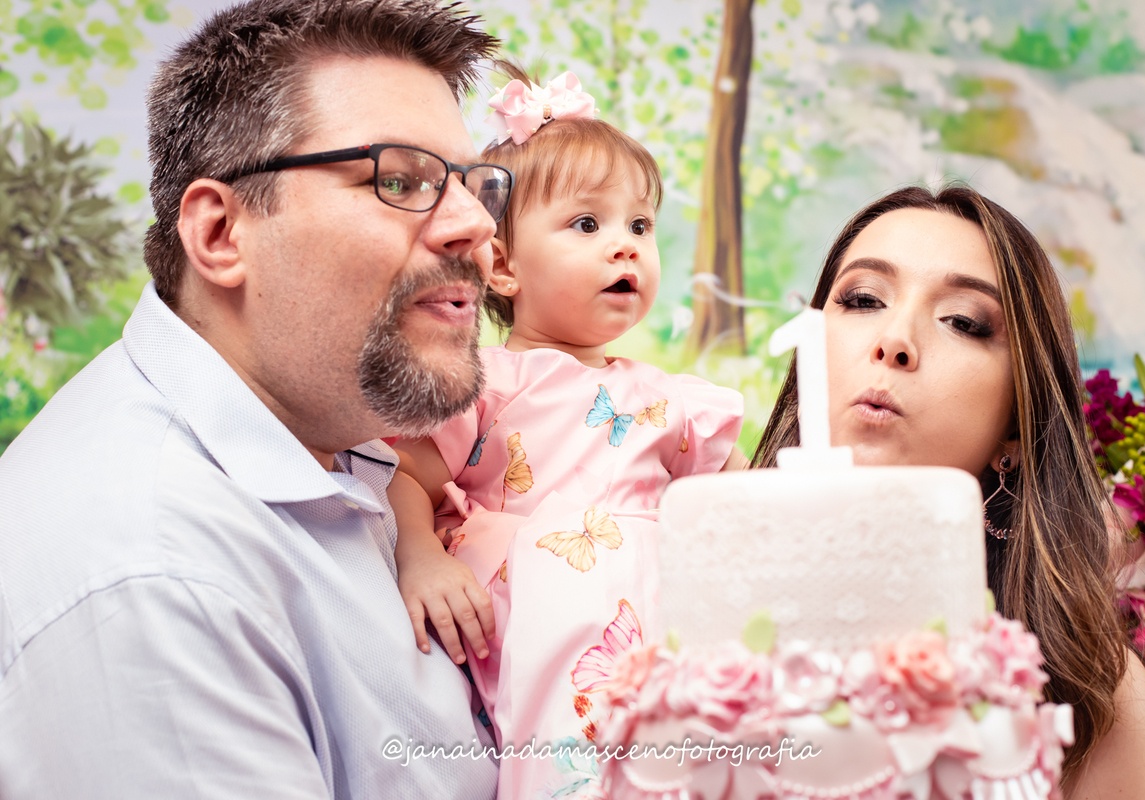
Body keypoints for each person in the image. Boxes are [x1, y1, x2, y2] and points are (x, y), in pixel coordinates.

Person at [0, 0, 509, 796]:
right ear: (220, 234)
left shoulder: (345, 443)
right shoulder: (156, 579)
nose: (476, 225)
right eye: (402, 179)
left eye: (477, 185)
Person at [385, 67, 746, 799]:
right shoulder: (482, 383)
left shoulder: (670, 400)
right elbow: (405, 476)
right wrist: (419, 553)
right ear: (506, 266)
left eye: (639, 226)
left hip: (660, 630)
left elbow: (743, 502)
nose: (626, 248)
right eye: (588, 224)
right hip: (548, 626)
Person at [753, 185, 1145, 796]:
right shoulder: (684, 597)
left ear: (1015, 424)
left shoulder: (1090, 690)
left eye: (963, 322)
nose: (893, 340)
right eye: (863, 298)